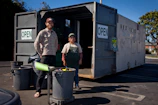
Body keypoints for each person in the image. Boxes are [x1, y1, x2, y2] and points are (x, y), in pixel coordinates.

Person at [34, 17, 58, 98]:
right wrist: (41, 53)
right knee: (42, 74)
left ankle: (52, 89)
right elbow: (36, 43)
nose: (50, 23)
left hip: (53, 57)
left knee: (52, 74)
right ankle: (38, 91)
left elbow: (56, 44)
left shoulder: (54, 33)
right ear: (46, 23)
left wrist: (54, 52)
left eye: (52, 22)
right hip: (45, 57)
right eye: (49, 22)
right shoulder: (42, 32)